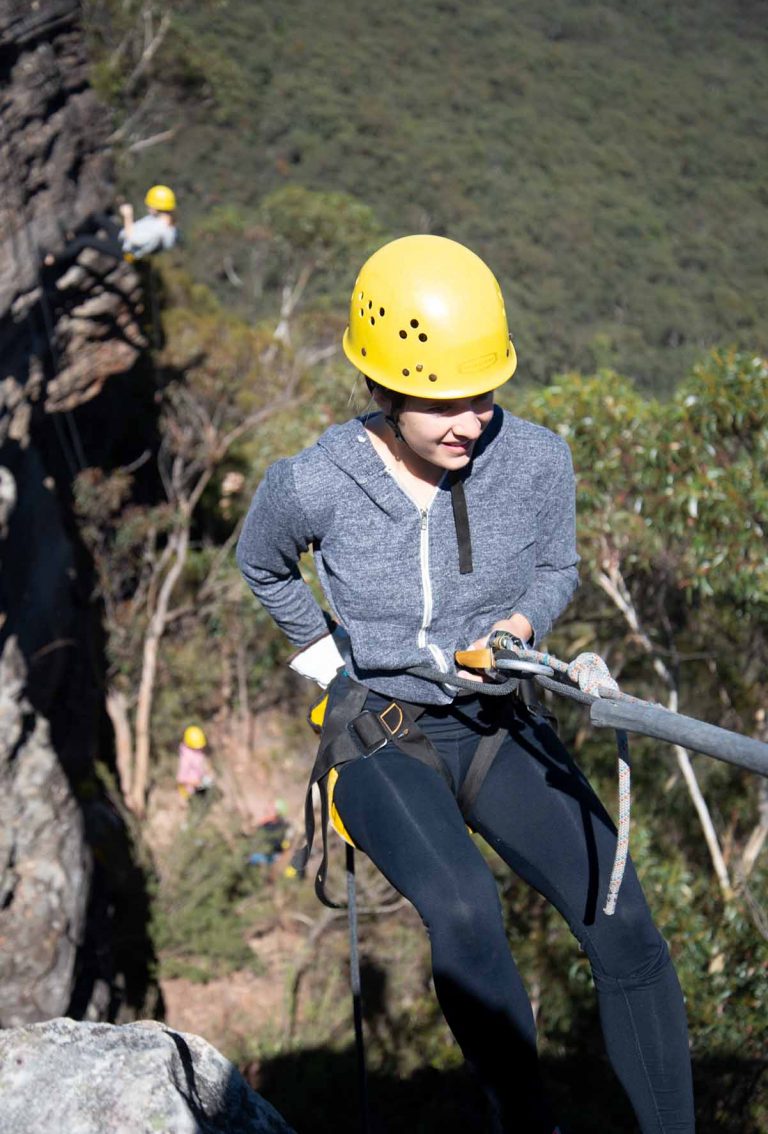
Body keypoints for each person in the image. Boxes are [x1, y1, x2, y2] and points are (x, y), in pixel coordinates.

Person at [236, 235, 695, 1133]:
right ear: (381, 389)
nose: (469, 422)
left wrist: (519, 629)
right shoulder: (315, 484)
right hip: (382, 731)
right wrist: (331, 666)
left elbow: (557, 566)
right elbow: (265, 567)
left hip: (497, 722)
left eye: (482, 396)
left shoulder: (535, 461)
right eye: (441, 402)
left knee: (627, 927)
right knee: (462, 910)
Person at [43, 184, 178, 270]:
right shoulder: (161, 221)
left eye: (150, 205)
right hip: (122, 236)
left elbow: (133, 239)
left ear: (159, 207)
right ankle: (72, 237)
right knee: (97, 217)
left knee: (85, 241)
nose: (148, 207)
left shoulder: (159, 231)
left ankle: (53, 259)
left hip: (124, 250)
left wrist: (127, 216)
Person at [176, 723, 213, 804]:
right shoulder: (185, 759)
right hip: (189, 791)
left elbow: (200, 765)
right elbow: (181, 779)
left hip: (199, 784)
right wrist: (195, 782)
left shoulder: (198, 753)